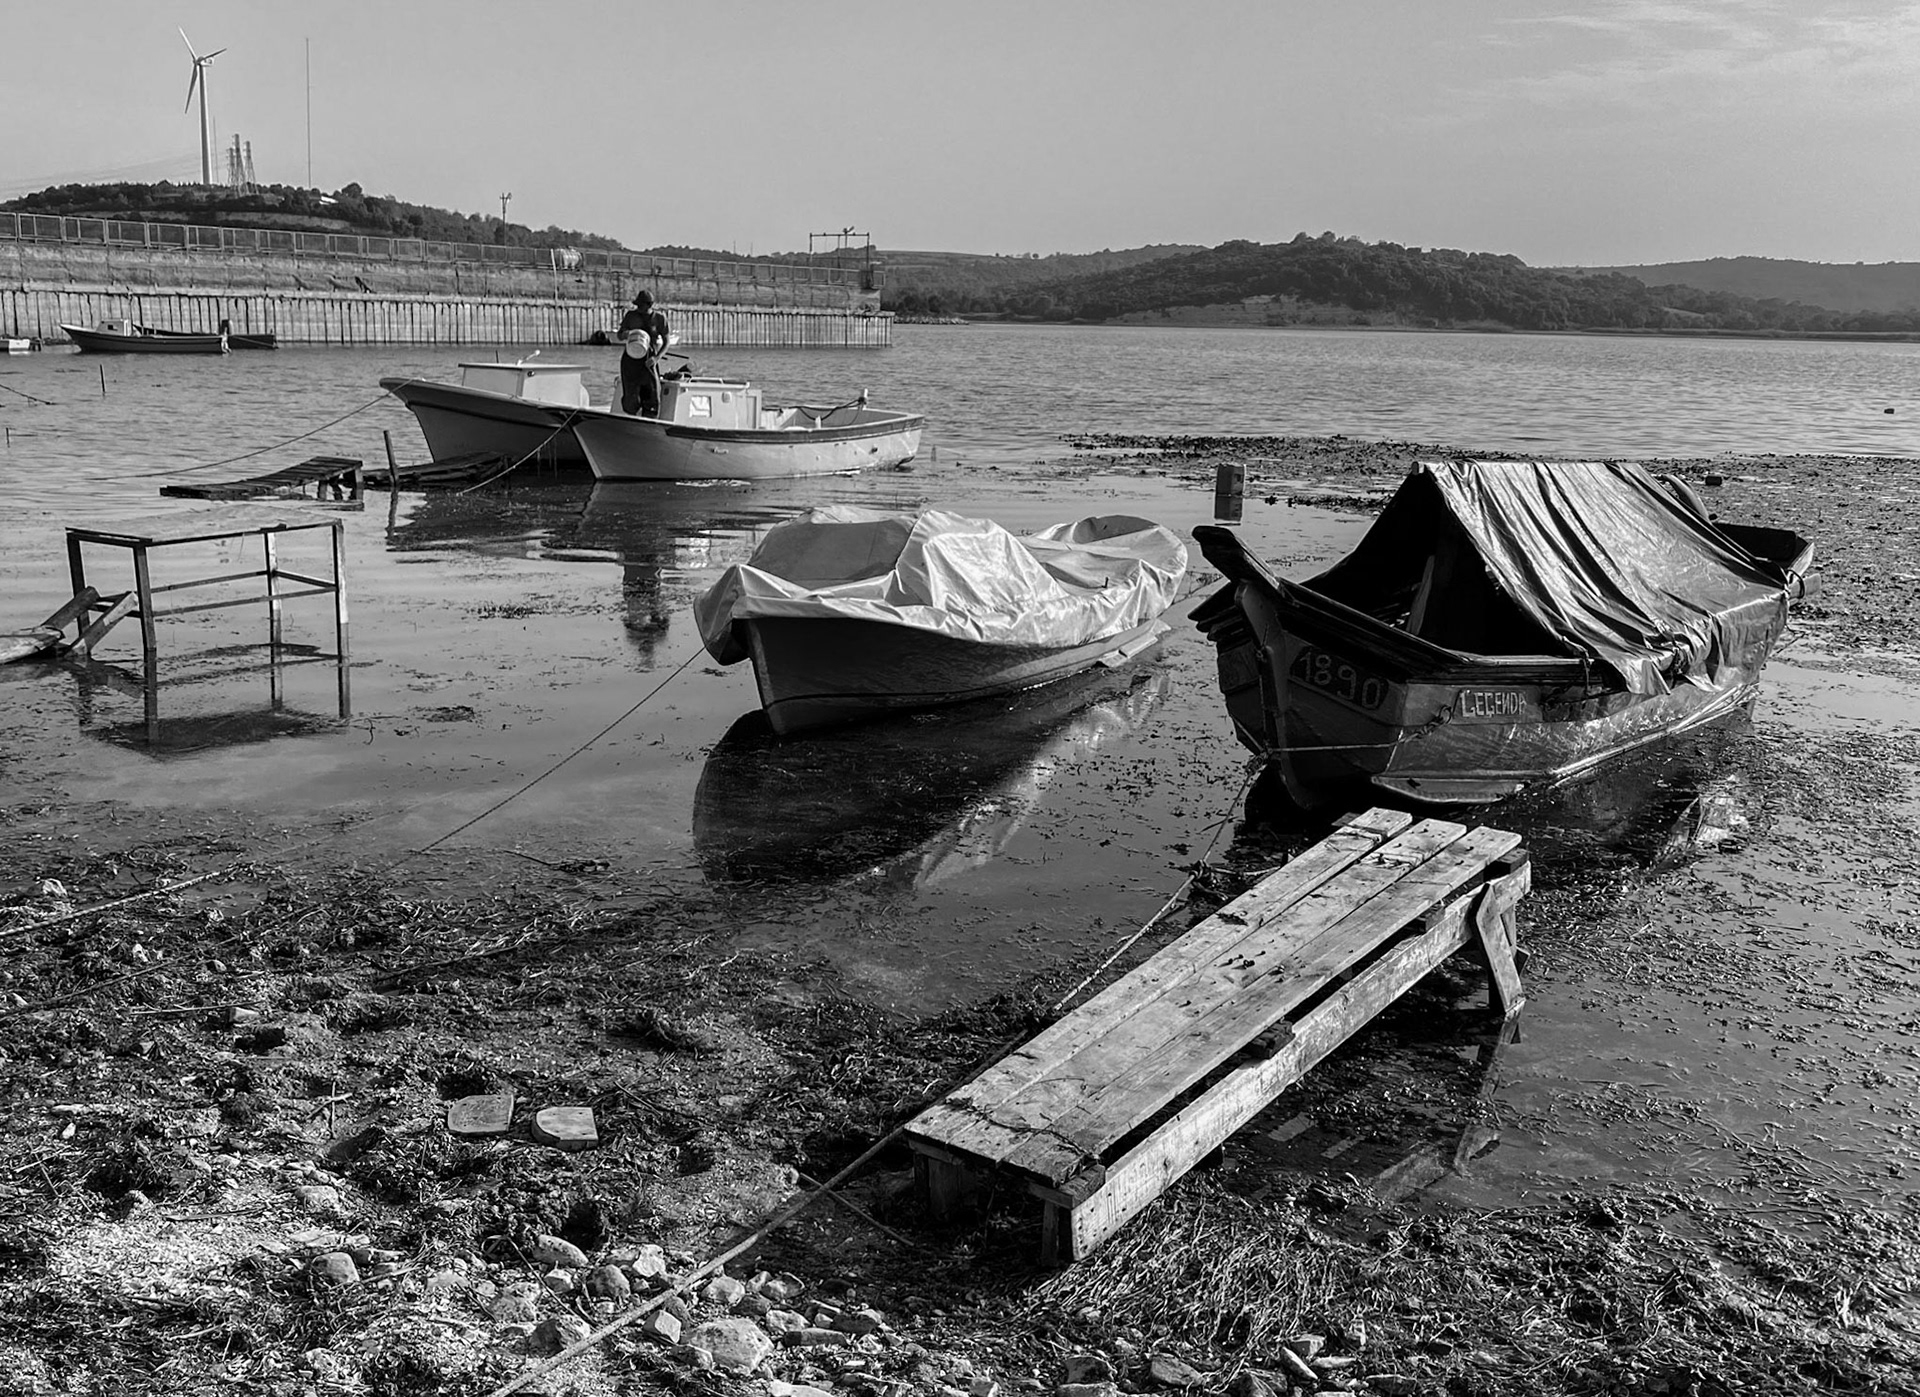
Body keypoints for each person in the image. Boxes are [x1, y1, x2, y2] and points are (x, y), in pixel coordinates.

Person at [616, 290, 670, 417]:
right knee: (631, 395)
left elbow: (666, 342)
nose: (639, 308)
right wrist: (624, 334)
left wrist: (657, 358)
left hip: (649, 360)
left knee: (652, 393)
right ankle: (631, 416)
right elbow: (619, 335)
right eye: (637, 305)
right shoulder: (631, 316)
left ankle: (650, 417)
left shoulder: (659, 319)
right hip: (631, 360)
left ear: (649, 305)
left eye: (641, 305)